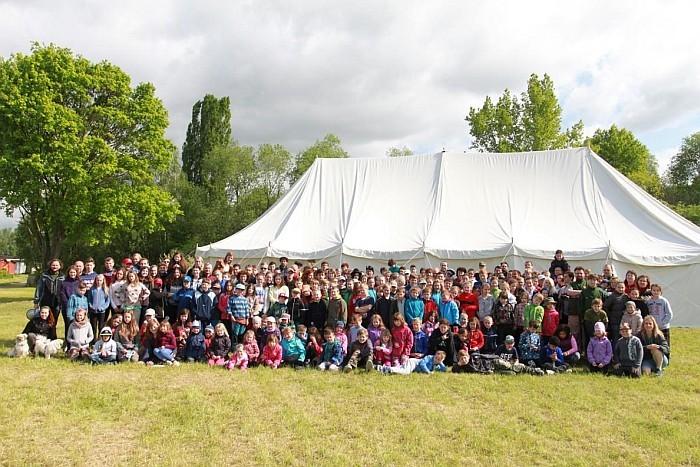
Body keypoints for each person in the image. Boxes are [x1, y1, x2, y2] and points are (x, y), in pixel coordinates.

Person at [34, 258, 64, 326]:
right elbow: (39, 288)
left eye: (56, 265)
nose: (55, 267)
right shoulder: (44, 275)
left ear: (60, 266)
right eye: (53, 265)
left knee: (54, 319)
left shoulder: (63, 277)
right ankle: (44, 334)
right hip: (45, 301)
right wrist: (36, 301)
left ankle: (53, 335)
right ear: (50, 265)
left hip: (57, 302)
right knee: (44, 318)